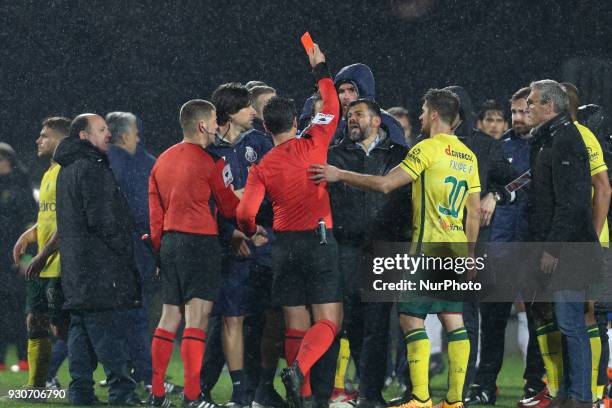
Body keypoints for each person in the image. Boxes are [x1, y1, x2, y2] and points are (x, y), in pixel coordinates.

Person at [310, 88, 481, 408]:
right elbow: (473, 210)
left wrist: (339, 174)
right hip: (456, 248)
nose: (418, 117)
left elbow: (386, 184)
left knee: (409, 319)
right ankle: (456, 400)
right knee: (454, 320)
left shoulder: (425, 148)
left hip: (426, 247)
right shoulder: (467, 154)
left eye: (422, 111)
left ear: (433, 114)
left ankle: (420, 398)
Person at [236, 43, 342, 408]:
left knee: (295, 322)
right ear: (296, 122)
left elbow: (245, 212)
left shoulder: (261, 167)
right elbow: (331, 104)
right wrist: (320, 68)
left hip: (284, 246)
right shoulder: (314, 142)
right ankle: (299, 372)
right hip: (319, 242)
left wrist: (253, 231)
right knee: (329, 320)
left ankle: (306, 399)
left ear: (266, 128)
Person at [147, 99, 252, 408]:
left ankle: (156, 394)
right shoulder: (211, 163)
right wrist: (242, 196)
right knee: (197, 319)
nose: (218, 127)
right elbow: (230, 209)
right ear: (202, 125)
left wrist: (159, 254)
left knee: (168, 317)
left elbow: (155, 217)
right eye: (214, 122)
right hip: (201, 244)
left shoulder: (161, 161)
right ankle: (193, 397)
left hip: (169, 244)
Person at [464, 88, 547, 407]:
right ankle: (485, 384)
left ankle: (533, 384)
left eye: (522, 111)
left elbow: (528, 180)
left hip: (531, 246)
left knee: (539, 320)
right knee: (493, 322)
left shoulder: (544, 146)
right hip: (498, 248)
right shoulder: (499, 147)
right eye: (513, 112)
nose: (517, 118)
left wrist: (499, 194)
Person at [327, 98, 411, 408]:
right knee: (353, 321)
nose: (351, 119)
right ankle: (364, 387)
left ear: (377, 122)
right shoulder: (335, 155)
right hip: (347, 247)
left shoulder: (400, 156)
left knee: (377, 324)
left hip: (385, 247)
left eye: (358, 114)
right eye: (348, 116)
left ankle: (370, 394)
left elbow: (408, 202)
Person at [53, 113, 142, 406]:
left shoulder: (67, 169)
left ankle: (80, 392)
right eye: (101, 129)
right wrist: (123, 248)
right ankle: (122, 392)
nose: (108, 134)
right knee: (108, 332)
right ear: (83, 136)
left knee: (80, 329)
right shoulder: (92, 169)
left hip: (77, 268)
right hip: (98, 267)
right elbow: (103, 221)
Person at [525, 79, 603, 408]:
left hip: (569, 248)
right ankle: (569, 393)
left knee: (572, 325)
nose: (527, 108)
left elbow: (571, 203)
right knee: (563, 323)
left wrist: (551, 249)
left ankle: (582, 398)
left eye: (532, 102)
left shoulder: (567, 139)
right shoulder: (549, 138)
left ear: (550, 106)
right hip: (559, 244)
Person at [12, 117, 71, 392]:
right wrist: (29, 235)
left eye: (44, 135)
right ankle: (36, 385)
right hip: (42, 265)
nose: (38, 140)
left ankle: (119, 374)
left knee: (64, 329)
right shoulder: (49, 171)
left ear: (59, 139)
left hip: (60, 265)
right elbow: (48, 216)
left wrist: (42, 254)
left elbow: (68, 221)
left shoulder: (67, 172)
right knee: (34, 320)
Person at [0, 142, 36, 372]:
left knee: (21, 309)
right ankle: (1, 360)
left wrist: (27, 257)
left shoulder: (22, 184)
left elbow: (32, 224)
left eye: (3, 158)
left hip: (16, 257)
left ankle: (24, 358)